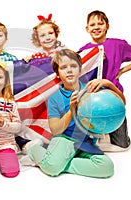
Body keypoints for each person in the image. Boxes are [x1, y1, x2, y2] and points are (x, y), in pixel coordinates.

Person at [21, 49, 121, 178]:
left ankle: (57, 162)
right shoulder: (54, 98)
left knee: (107, 168)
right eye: (63, 67)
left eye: (73, 66)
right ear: (58, 74)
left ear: (80, 70)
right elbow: (56, 130)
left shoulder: (92, 89)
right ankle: (33, 148)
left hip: (86, 141)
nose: (69, 70)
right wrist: (71, 110)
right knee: (52, 169)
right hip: (65, 138)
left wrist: (109, 84)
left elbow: (121, 103)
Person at [78, 10, 131, 152]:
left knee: (123, 145)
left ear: (107, 26)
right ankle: (99, 136)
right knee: (86, 136)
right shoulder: (84, 51)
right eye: (92, 25)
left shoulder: (118, 45)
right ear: (87, 29)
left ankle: (110, 136)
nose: (96, 27)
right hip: (91, 97)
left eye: (100, 24)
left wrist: (122, 70)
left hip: (112, 95)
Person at [0, 21, 43, 154]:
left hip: (6, 101)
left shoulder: (12, 59)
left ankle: (19, 144)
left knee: (10, 124)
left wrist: (27, 62)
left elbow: (21, 77)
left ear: (6, 39)